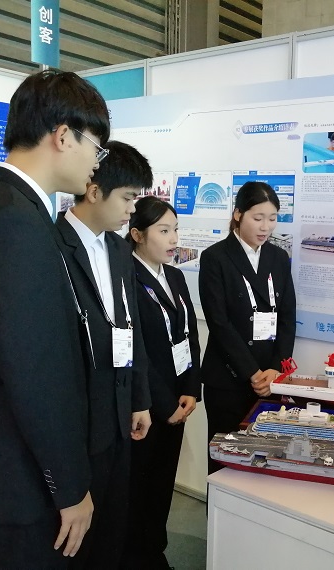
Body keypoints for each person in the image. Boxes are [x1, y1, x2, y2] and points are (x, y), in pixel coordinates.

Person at [0, 70, 109, 569]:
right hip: (15, 481)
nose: (96, 164)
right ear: (63, 136)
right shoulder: (13, 220)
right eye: (96, 147)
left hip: (9, 471)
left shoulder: (10, 207)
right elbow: (34, 372)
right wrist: (69, 486)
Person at [54, 140, 153, 569]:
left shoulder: (118, 249)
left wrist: (140, 398)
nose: (132, 210)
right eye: (127, 198)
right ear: (94, 191)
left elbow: (132, 328)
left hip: (119, 410)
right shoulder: (51, 245)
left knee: (113, 525)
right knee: (75, 541)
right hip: (76, 416)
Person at [122, 197, 201, 570]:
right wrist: (165, 403)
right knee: (138, 485)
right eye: (164, 231)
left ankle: (154, 549)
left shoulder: (175, 276)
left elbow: (189, 335)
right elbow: (134, 350)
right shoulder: (125, 278)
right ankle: (134, 556)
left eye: (176, 230)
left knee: (162, 482)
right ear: (138, 234)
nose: (174, 240)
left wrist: (192, 389)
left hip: (179, 397)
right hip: (147, 403)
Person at [199, 181, 296, 474]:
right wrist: (253, 373)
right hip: (228, 378)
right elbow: (219, 323)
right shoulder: (216, 257)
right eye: (258, 218)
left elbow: (287, 317)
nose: (266, 227)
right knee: (224, 462)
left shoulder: (278, 257)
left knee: (263, 463)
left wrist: (276, 369)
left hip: (269, 378)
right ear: (238, 214)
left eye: (272, 218)